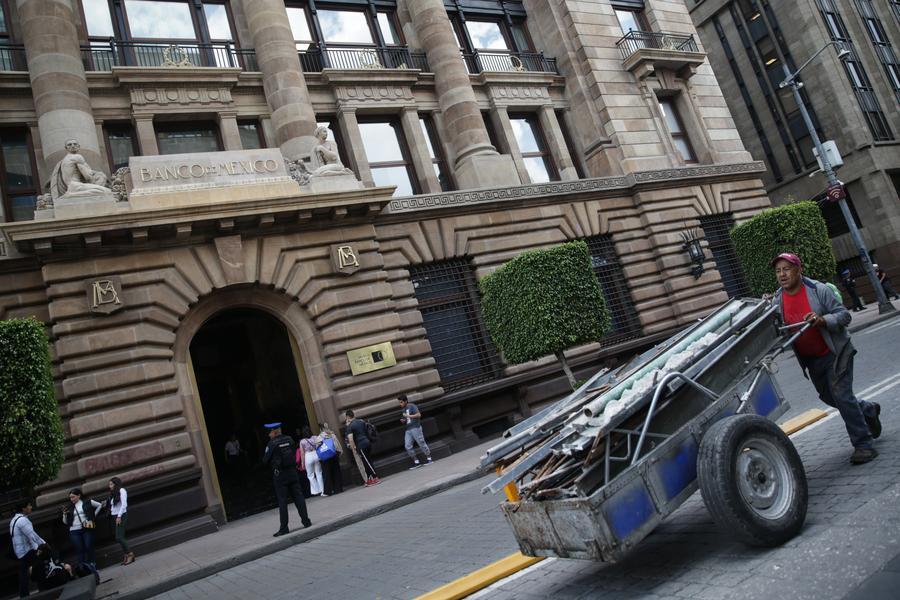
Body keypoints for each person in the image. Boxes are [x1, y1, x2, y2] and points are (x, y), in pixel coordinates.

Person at [772, 253, 882, 464]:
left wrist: (822, 320)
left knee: (841, 395)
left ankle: (864, 445)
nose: (782, 274)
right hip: (811, 360)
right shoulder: (778, 300)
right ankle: (867, 409)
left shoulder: (817, 290)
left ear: (798, 270)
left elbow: (844, 315)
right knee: (828, 397)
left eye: (786, 269)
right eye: (778, 271)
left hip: (835, 352)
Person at [262, 422, 312, 536]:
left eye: (269, 433)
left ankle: (284, 528)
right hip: (292, 472)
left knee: (283, 501)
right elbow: (294, 451)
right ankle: (306, 521)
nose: (269, 435)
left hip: (280, 476)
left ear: (274, 432)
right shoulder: (289, 439)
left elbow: (265, 460)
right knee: (299, 497)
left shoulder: (272, 443)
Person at [62, 488, 103, 584]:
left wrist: (92, 517)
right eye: (70, 498)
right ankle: (83, 571)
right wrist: (64, 515)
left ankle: (92, 567)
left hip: (86, 528)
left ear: (79, 495)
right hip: (74, 530)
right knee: (79, 550)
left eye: (73, 497)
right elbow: (65, 522)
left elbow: (99, 505)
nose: (71, 499)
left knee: (89, 546)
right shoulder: (69, 507)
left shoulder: (87, 502)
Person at [10, 500, 45, 598]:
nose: (31, 507)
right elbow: (32, 535)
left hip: (20, 551)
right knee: (39, 567)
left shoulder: (14, 520)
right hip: (27, 550)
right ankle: (43, 588)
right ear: (23, 508)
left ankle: (24, 594)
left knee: (24, 572)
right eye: (29, 505)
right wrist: (44, 544)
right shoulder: (22, 520)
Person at [344, 410, 381, 486]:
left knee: (367, 462)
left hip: (361, 445)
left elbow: (350, 439)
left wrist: (354, 448)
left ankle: (375, 477)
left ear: (347, 417)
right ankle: (369, 479)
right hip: (367, 442)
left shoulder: (350, 426)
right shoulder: (361, 421)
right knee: (367, 461)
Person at [399, 395, 433, 469]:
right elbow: (406, 419)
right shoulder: (403, 409)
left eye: (401, 402)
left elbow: (418, 415)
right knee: (407, 446)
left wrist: (408, 416)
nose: (400, 404)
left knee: (421, 442)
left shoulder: (412, 406)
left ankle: (429, 459)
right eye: (399, 402)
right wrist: (403, 420)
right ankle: (416, 462)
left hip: (415, 427)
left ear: (405, 401)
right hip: (408, 429)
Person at [108, 477, 134, 565]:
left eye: (111, 484)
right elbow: (113, 506)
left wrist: (119, 516)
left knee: (119, 537)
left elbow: (124, 504)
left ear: (116, 484)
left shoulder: (122, 490)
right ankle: (126, 555)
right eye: (109, 484)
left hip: (121, 515)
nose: (109, 486)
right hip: (114, 516)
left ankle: (130, 554)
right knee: (120, 536)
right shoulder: (113, 493)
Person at [319, 422, 344, 496]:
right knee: (336, 471)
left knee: (327, 473)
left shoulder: (320, 437)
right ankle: (339, 488)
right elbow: (337, 445)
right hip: (334, 454)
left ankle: (328, 491)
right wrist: (340, 452)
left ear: (321, 429)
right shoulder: (332, 435)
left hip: (325, 457)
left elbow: (317, 447)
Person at [298, 426, 325, 496]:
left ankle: (316, 490)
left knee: (310, 475)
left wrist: (302, 463)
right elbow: (321, 444)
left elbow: (302, 453)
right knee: (319, 473)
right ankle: (323, 490)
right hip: (316, 454)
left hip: (308, 456)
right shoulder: (315, 437)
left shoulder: (302, 441)